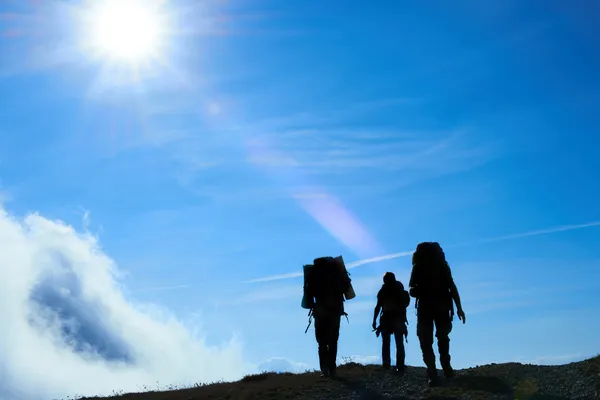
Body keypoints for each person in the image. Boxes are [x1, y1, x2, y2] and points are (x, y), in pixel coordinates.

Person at [409, 242, 466, 386]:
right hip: (441, 306)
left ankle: (433, 373)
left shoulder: (418, 266)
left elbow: (411, 289)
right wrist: (459, 307)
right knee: (442, 338)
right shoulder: (442, 264)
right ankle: (446, 369)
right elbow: (452, 286)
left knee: (426, 341)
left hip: (426, 308)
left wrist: (419, 290)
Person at [304, 257, 350, 378]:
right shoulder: (336, 273)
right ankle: (332, 369)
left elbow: (309, 293)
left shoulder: (314, 274)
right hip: (335, 311)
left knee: (321, 342)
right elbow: (345, 288)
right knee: (333, 341)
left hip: (320, 312)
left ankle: (324, 370)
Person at [372, 272, 410, 374]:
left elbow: (378, 307)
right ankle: (400, 365)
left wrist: (374, 320)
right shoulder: (399, 289)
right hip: (398, 318)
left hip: (386, 318)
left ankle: (386, 364)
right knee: (399, 343)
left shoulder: (383, 291)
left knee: (386, 342)